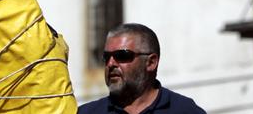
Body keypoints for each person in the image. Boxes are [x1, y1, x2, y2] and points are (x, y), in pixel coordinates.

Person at [78, 23, 206, 114]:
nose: (111, 63)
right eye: (106, 57)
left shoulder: (184, 110)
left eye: (122, 55)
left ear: (151, 62)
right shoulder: (86, 112)